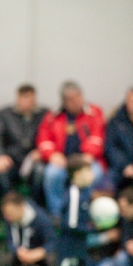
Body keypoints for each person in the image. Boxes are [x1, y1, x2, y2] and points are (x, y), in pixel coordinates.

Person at [36, 81, 105, 217]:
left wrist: (89, 155)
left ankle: (83, 213)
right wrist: (52, 155)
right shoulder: (52, 116)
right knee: (52, 174)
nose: (76, 102)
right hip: (62, 161)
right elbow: (43, 140)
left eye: (78, 97)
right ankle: (57, 214)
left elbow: (98, 137)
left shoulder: (94, 112)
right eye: (71, 99)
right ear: (64, 101)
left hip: (86, 160)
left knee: (95, 174)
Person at [0, 84, 48, 194]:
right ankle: (9, 199)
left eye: (30, 100)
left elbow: (49, 136)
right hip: (11, 158)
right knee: (1, 169)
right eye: (24, 98)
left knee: (40, 170)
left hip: (34, 159)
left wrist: (42, 151)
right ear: (17, 99)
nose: (26, 103)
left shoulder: (44, 114)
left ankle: (35, 201)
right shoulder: (5, 114)